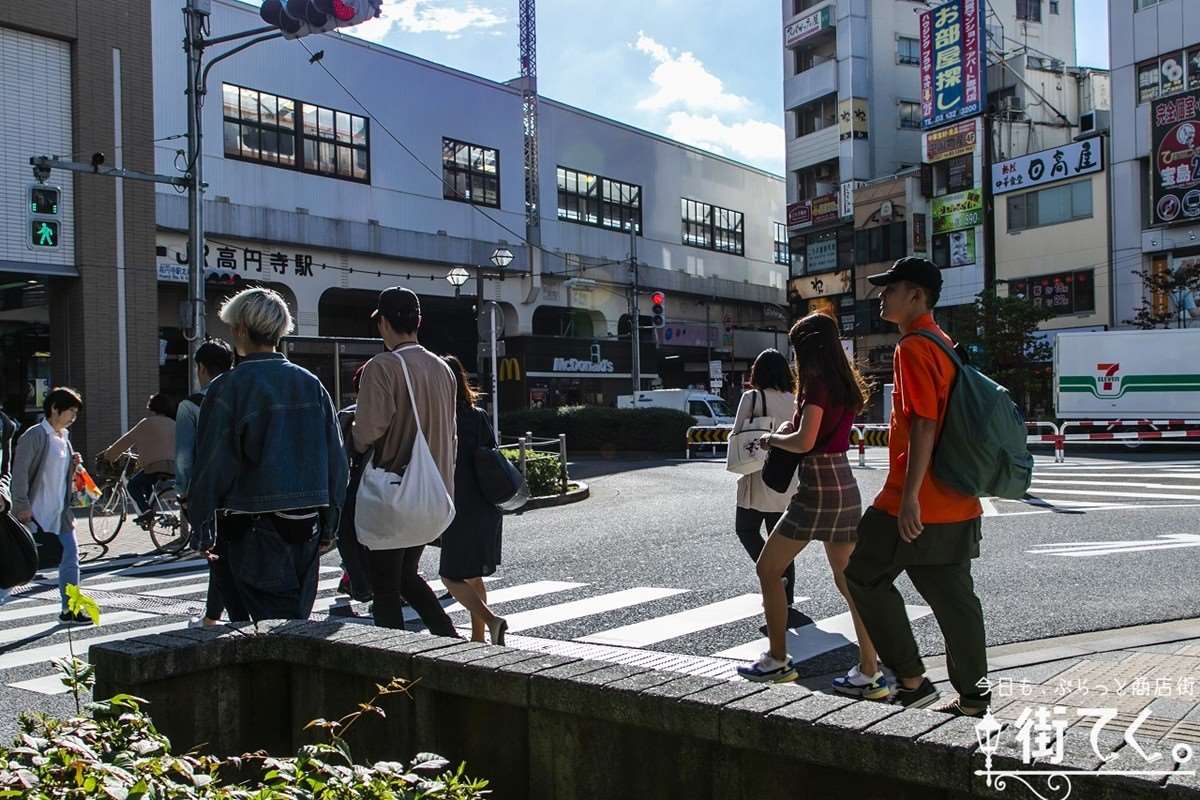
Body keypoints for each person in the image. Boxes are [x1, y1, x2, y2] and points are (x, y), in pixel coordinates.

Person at [844, 256, 989, 716]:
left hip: (912, 501)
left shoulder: (913, 347)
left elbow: (925, 423)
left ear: (917, 296)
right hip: (956, 499)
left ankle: (911, 678)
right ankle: (972, 697)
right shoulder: (944, 343)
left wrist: (908, 500)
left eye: (892, 288)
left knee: (863, 575)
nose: (882, 295)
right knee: (956, 603)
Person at [737, 314, 885, 699]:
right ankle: (870, 670)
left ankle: (777, 659)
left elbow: (805, 441)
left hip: (817, 487)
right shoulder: (843, 383)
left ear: (806, 348)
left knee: (768, 569)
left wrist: (772, 439)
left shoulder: (816, 385)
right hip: (843, 484)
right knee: (848, 582)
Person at [188, 287, 348, 622]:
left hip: (251, 525)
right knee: (294, 628)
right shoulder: (311, 384)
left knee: (261, 638)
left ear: (242, 329)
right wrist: (330, 524)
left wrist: (201, 527)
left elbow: (212, 465)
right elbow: (336, 461)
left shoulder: (228, 388)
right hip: (307, 526)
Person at [352, 287, 458, 636]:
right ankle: (450, 640)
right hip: (433, 494)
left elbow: (367, 432)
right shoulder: (442, 368)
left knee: (385, 586)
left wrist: (349, 432)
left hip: (393, 495)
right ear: (418, 321)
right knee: (406, 576)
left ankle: (393, 668)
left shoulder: (381, 367)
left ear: (382, 322)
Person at [730, 349, 804, 630]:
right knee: (780, 537)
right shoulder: (795, 400)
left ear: (757, 373)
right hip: (785, 475)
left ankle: (773, 576)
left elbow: (737, 434)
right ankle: (785, 594)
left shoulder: (753, 397)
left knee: (746, 528)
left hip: (757, 473)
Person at [439, 355, 507, 645]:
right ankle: (480, 638)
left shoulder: (442, 418)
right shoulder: (477, 416)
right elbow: (492, 453)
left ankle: (492, 621)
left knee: (450, 577)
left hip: (459, 507)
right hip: (486, 506)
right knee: (474, 575)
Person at [10, 388, 86, 622]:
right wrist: (21, 505)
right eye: (70, 411)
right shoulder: (34, 436)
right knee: (17, 568)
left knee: (70, 560)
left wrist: (73, 464)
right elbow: (19, 473)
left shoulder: (64, 437)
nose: (73, 416)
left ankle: (70, 609)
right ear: (54, 409)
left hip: (60, 513)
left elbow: (59, 474)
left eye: (76, 411)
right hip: (33, 515)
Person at [176, 339, 234, 628]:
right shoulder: (243, 395)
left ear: (201, 368)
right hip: (247, 490)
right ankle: (214, 615)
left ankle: (214, 618)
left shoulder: (192, 406)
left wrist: (184, 495)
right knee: (230, 554)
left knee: (217, 553)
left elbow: (185, 458)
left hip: (211, 492)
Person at [100, 394, 177, 522]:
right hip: (174, 467)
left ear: (152, 407)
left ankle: (145, 512)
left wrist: (109, 456)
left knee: (132, 485)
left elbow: (125, 441)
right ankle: (150, 511)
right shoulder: (174, 424)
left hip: (155, 466)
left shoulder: (147, 423)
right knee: (147, 483)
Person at [333, 363, 373, 606]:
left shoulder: (346, 415)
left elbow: (338, 456)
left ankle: (359, 585)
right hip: (387, 489)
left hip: (353, 488)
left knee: (346, 537)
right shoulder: (398, 413)